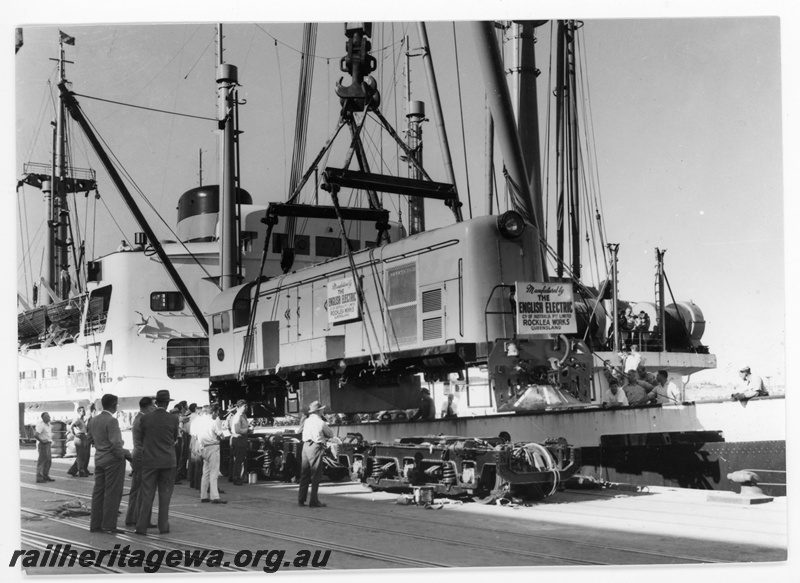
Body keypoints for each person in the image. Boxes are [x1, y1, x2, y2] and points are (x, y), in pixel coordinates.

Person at [135, 389, 180, 536]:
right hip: (168, 461)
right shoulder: (173, 419)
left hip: (150, 461)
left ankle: (141, 527)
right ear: (167, 403)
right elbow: (174, 438)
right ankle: (163, 526)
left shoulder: (145, 418)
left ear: (156, 402)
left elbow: (142, 438)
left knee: (147, 494)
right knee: (165, 495)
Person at [88, 394, 128, 534]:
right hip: (112, 460)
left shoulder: (94, 420)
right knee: (112, 493)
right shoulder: (112, 421)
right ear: (114, 405)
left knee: (98, 492)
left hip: (99, 459)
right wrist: (121, 456)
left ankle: (95, 524)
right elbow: (116, 443)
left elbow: (90, 439)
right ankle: (109, 525)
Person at [125, 397, 156, 528]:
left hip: (137, 455)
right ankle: (141, 519)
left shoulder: (137, 418)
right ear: (148, 407)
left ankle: (132, 517)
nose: (154, 408)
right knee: (144, 489)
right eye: (153, 406)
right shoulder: (144, 420)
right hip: (143, 456)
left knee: (136, 489)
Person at [298, 401, 333, 508]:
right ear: (318, 411)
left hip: (305, 447)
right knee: (316, 475)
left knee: (304, 474)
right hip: (315, 447)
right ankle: (314, 501)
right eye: (322, 409)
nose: (323, 411)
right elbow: (330, 434)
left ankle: (301, 499)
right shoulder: (321, 422)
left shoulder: (307, 421)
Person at [195, 404, 227, 504]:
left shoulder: (200, 422)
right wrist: (223, 436)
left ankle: (203, 495)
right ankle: (215, 496)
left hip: (204, 447)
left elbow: (197, 435)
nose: (217, 414)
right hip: (213, 447)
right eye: (216, 412)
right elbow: (220, 434)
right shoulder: (214, 421)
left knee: (205, 473)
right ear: (213, 412)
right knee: (214, 473)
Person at [229, 400, 251, 485]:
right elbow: (237, 430)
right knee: (239, 460)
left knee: (239, 459)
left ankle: (233, 476)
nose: (246, 408)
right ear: (238, 407)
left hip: (242, 438)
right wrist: (247, 430)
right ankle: (237, 478)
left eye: (246, 406)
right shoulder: (237, 417)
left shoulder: (244, 415)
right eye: (244, 407)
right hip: (238, 439)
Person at [67, 406, 90, 477]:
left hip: (83, 437)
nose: (84, 412)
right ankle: (81, 472)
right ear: (79, 412)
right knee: (80, 456)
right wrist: (75, 434)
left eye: (84, 411)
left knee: (82, 455)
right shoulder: (77, 419)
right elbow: (71, 426)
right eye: (82, 411)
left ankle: (72, 470)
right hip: (79, 437)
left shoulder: (81, 420)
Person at [34, 412, 55, 483]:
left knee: (48, 461)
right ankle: (39, 477)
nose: (49, 418)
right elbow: (36, 435)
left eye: (49, 416)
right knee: (42, 461)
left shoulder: (48, 425)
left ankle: (45, 475)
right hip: (44, 444)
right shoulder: (42, 425)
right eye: (48, 416)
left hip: (48, 444)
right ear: (43, 418)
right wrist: (42, 440)